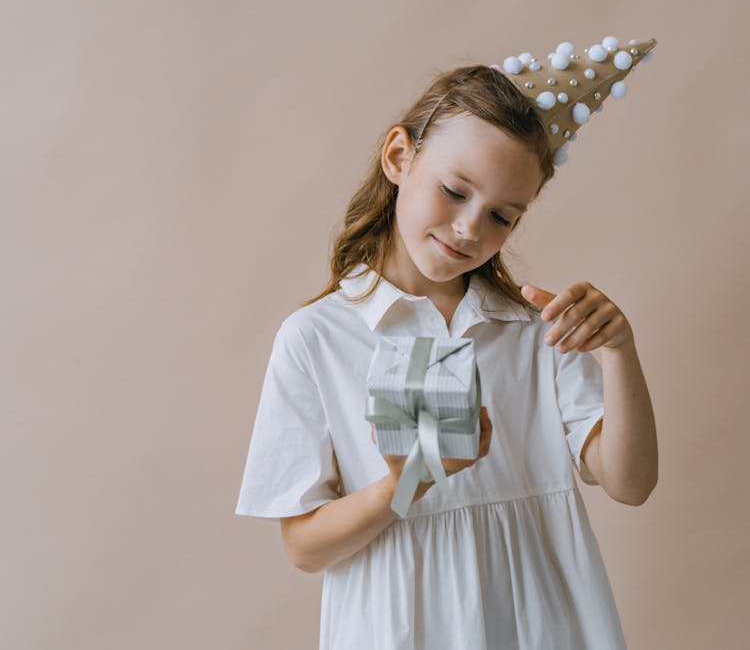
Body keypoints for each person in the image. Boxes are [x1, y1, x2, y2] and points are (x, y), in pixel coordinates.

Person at [234, 43, 659, 649]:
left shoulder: (531, 329)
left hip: (541, 623)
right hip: (401, 627)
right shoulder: (319, 338)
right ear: (399, 156)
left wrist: (619, 352)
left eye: (502, 217)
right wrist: (412, 482)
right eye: (456, 191)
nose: (469, 229)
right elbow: (303, 546)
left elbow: (630, 482)